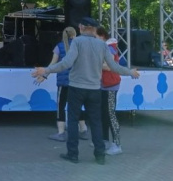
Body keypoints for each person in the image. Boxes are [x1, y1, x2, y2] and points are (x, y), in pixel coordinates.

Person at [32, 16, 140, 164]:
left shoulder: (77, 42)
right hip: (95, 89)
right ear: (94, 29)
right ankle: (100, 155)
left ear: (81, 27)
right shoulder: (102, 45)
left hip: (77, 88)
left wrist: (46, 70)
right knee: (96, 122)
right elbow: (114, 67)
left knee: (73, 120)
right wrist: (130, 72)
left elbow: (66, 63)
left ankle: (73, 154)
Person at [47, 26, 90, 142]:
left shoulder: (59, 47)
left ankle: (61, 132)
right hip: (77, 82)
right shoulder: (80, 46)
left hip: (63, 82)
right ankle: (83, 129)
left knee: (60, 106)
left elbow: (53, 64)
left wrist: (44, 74)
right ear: (74, 34)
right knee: (77, 105)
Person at [97, 26, 123, 156]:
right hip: (104, 85)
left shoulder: (110, 48)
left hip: (110, 85)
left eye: (96, 37)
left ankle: (117, 144)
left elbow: (109, 66)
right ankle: (105, 140)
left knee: (110, 114)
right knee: (104, 113)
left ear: (102, 36)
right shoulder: (103, 47)